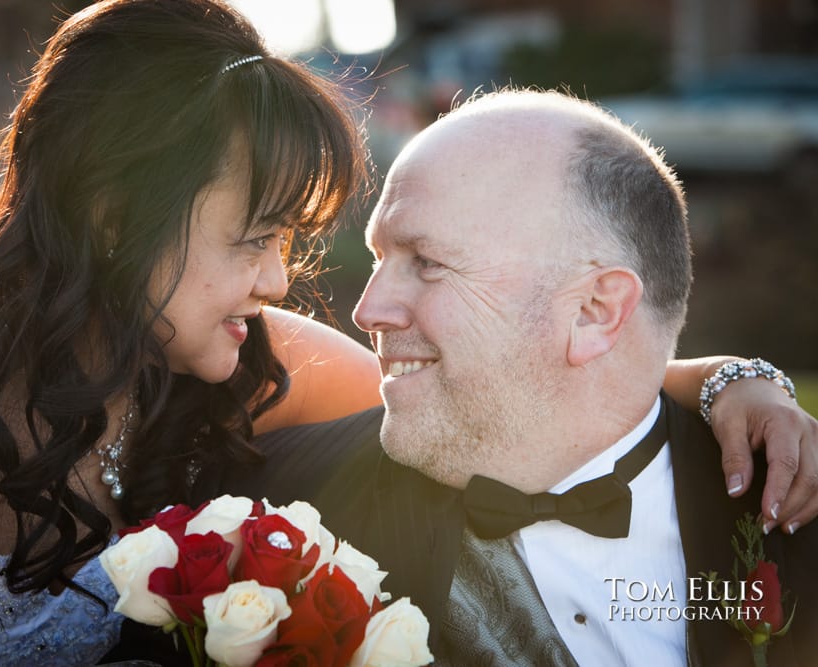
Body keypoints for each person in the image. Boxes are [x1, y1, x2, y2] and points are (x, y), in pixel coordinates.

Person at [0, 0, 810, 662]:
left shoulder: (240, 351)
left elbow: (547, 376)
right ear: (114, 217)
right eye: (251, 239)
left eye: (285, 241)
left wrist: (738, 383)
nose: (275, 281)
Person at [235, 89, 818, 665]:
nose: (368, 310)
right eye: (380, 258)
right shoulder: (274, 517)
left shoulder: (790, 508)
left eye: (428, 263)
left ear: (595, 310)